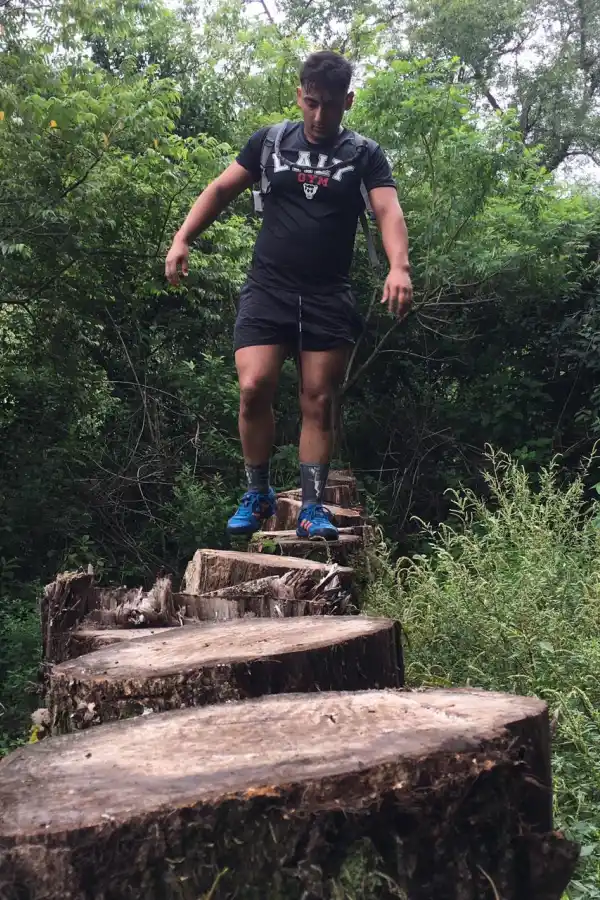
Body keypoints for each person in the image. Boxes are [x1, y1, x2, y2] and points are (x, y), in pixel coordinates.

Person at [165, 50, 412, 541]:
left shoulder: (364, 154)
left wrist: (399, 266)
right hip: (269, 288)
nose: (320, 117)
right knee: (254, 386)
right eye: (312, 103)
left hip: (327, 294)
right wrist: (182, 238)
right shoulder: (270, 142)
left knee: (318, 399)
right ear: (300, 95)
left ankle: (312, 506)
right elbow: (220, 190)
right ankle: (257, 492)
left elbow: (388, 211)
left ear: (349, 101)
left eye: (331, 107)